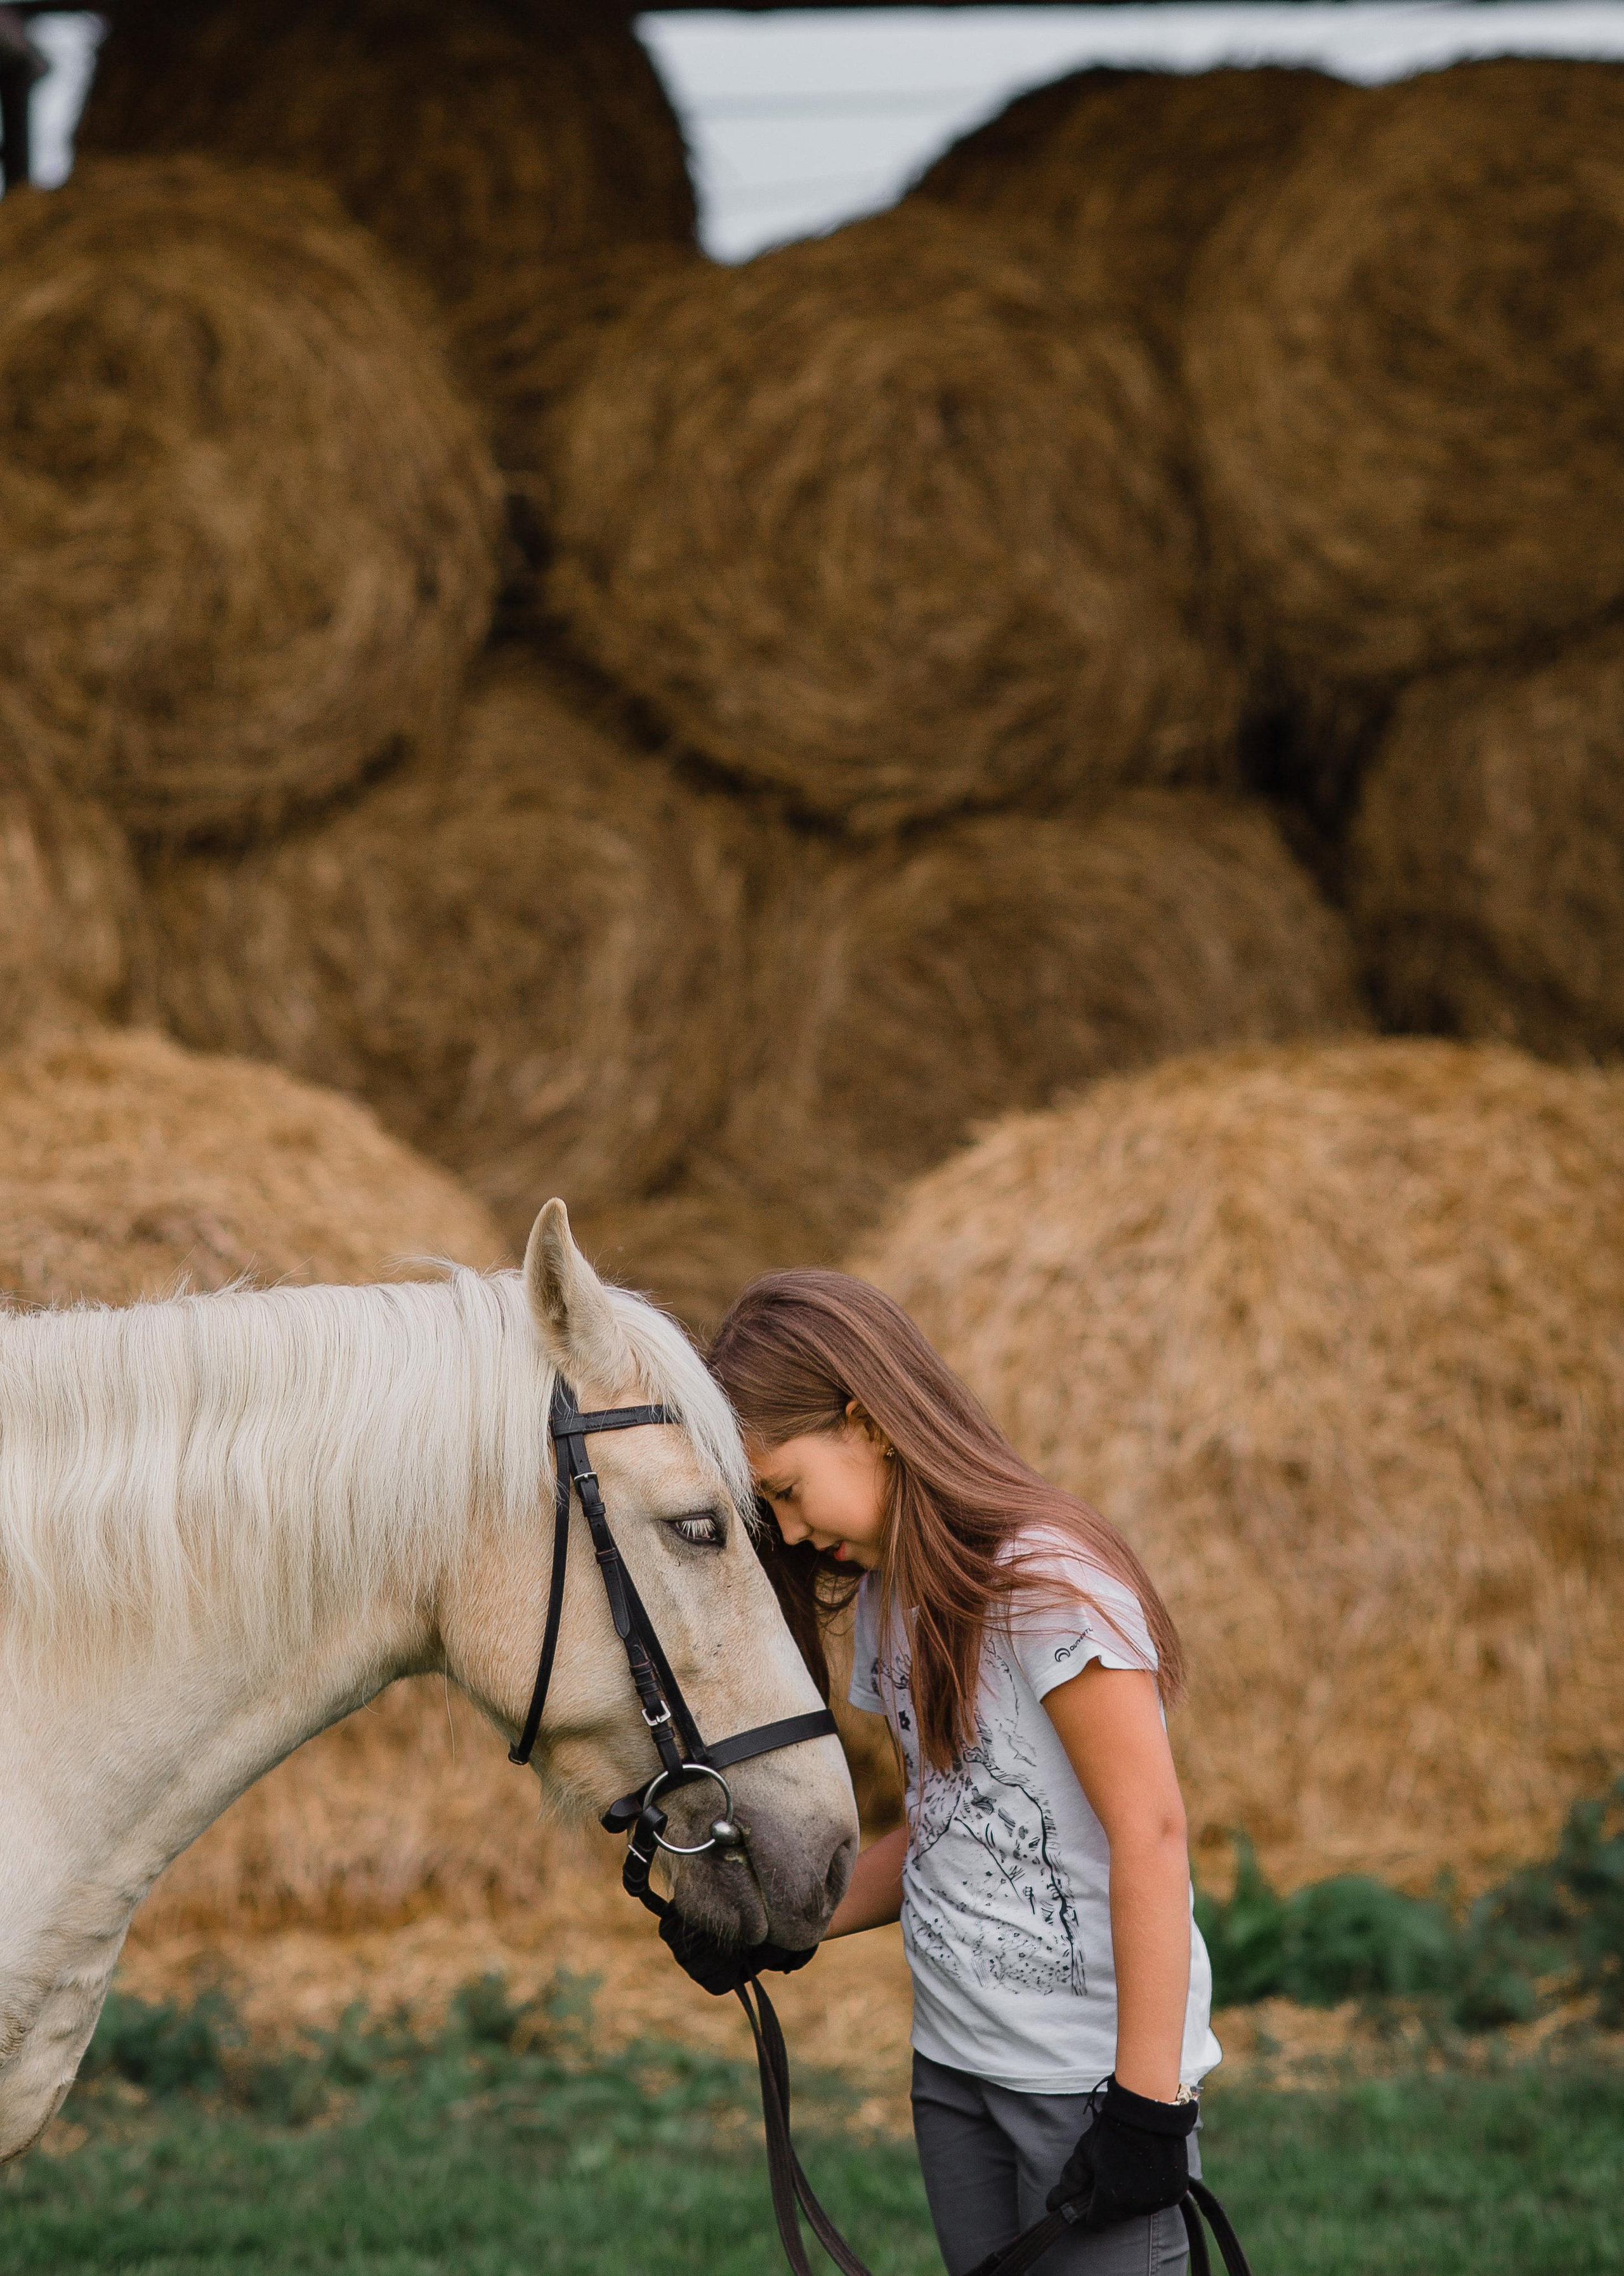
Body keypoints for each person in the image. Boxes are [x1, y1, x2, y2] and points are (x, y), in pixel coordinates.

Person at [707, 1268, 1221, 2276]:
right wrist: (773, 1923)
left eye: (786, 1491)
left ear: (870, 1423)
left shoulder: (1048, 1586)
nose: (797, 1532)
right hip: (954, 2072)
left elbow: (1152, 1835)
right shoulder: (889, 1595)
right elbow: (952, 1827)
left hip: (1087, 2086)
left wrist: (1148, 2107)